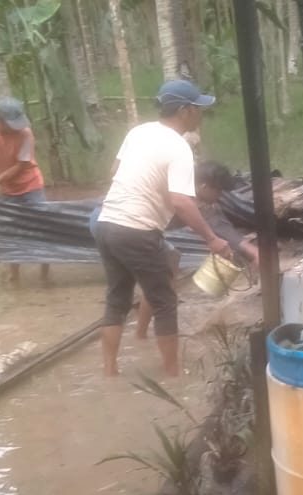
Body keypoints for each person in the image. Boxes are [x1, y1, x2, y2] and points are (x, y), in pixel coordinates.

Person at [94, 79, 231, 377]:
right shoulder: (178, 147)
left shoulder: (138, 132)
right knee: (165, 302)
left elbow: (114, 171)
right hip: (136, 228)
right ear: (184, 111)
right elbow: (180, 201)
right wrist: (211, 239)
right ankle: (173, 375)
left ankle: (109, 372)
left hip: (107, 223)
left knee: (117, 298)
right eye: (198, 109)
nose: (200, 115)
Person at [134, 161, 260, 340]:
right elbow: (216, 227)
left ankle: (141, 335)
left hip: (133, 229)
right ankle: (161, 346)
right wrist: (252, 251)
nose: (219, 196)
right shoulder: (186, 199)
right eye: (218, 191)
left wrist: (250, 251)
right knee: (162, 286)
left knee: (165, 270)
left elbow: (222, 227)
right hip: (132, 230)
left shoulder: (195, 196)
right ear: (204, 186)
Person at [0, 97, 48, 284]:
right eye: (10, 125)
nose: (15, 129)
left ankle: (45, 274)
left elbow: (21, 166)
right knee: (11, 230)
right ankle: (14, 274)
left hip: (31, 185)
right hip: (8, 189)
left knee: (42, 228)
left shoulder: (26, 134)